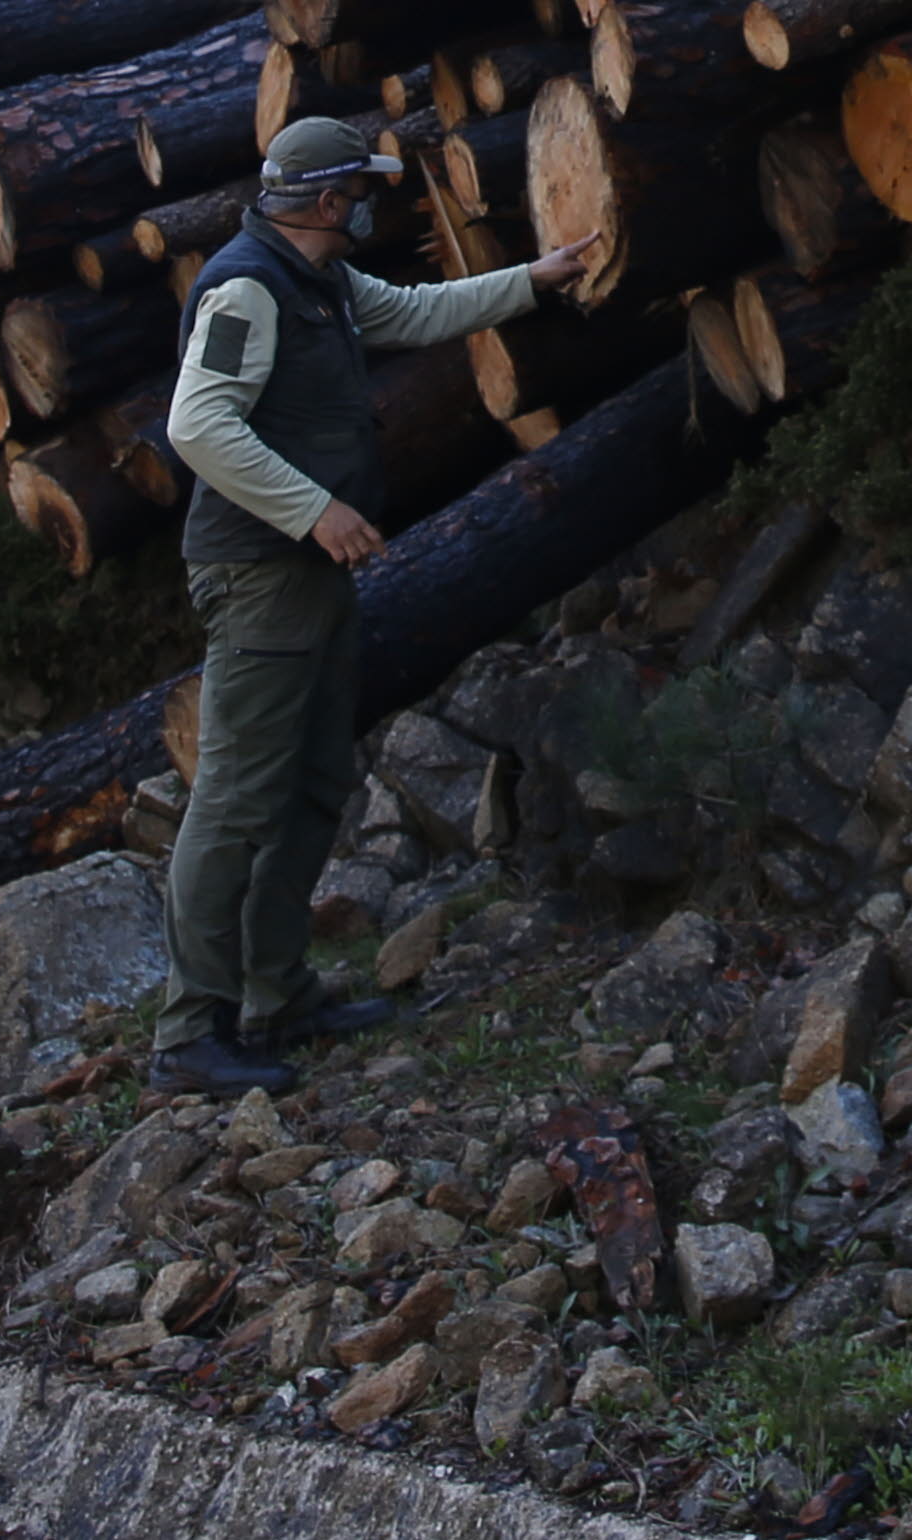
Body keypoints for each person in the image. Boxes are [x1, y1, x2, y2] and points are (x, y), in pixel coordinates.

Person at [149, 114, 589, 1094]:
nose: (371, 205)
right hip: (259, 572)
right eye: (360, 190)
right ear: (322, 200)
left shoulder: (323, 282)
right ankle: (188, 1034)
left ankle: (275, 997)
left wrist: (535, 279)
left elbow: (420, 312)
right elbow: (196, 424)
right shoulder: (247, 287)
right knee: (233, 797)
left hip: (303, 576)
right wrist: (314, 514)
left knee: (309, 785)